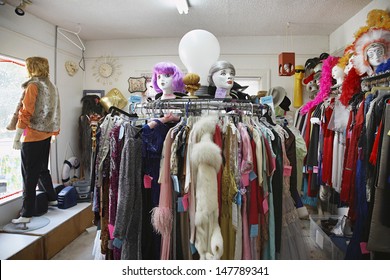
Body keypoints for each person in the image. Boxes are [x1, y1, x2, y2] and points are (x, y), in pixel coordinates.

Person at [12, 56, 61, 225]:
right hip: (46, 134)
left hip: (32, 135)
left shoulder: (33, 85)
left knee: (28, 175)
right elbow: (56, 112)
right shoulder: (51, 86)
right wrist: (55, 132)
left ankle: (26, 213)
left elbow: (25, 113)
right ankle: (52, 198)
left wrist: (17, 137)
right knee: (41, 168)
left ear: (32, 68)